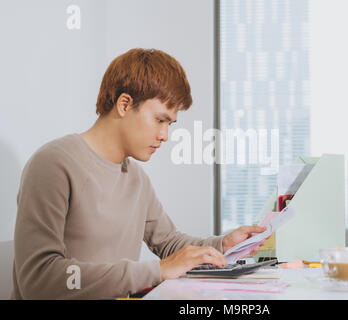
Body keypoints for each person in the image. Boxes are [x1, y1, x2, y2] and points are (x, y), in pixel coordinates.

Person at [11, 48, 267, 299]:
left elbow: (169, 243)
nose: (165, 136)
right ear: (124, 104)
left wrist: (222, 245)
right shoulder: (53, 164)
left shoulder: (135, 178)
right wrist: (156, 271)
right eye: (160, 120)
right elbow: (39, 279)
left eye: (169, 124)